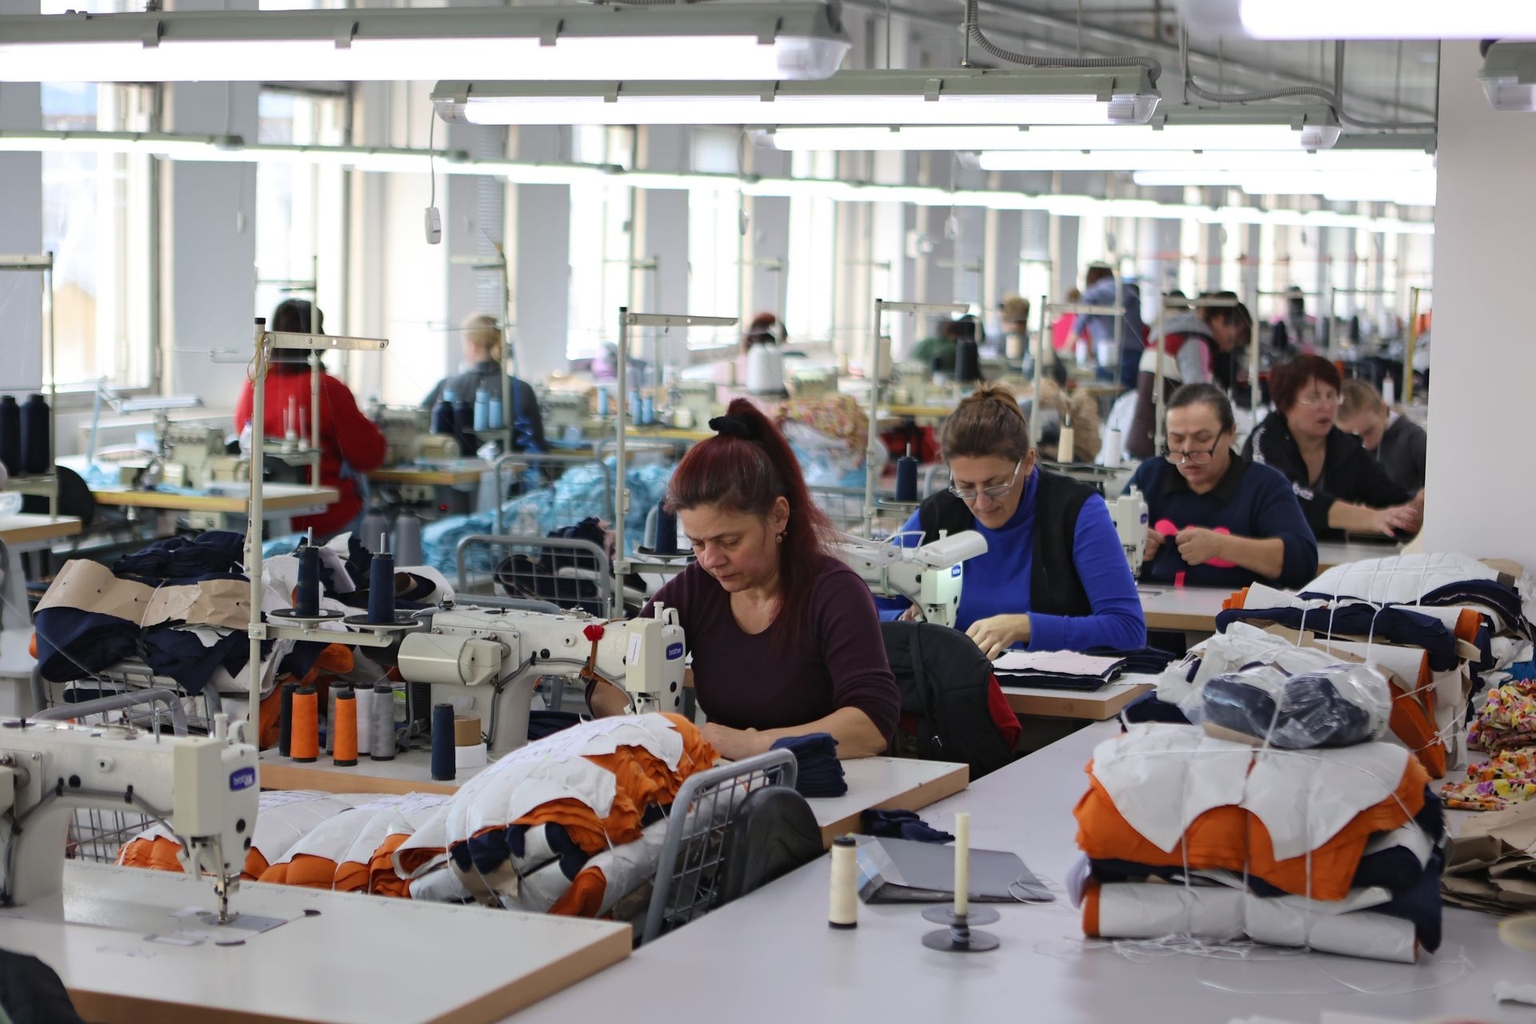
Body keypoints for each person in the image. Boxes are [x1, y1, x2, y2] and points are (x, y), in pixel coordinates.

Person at [594, 398, 899, 761]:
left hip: (829, 785)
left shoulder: (835, 593)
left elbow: (871, 725)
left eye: (729, 541)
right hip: (726, 783)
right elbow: (610, 682)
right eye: (697, 543)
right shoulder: (696, 588)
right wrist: (657, 734)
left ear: (779, 516)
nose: (710, 559)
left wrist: (755, 745)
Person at [887, 383, 1145, 657]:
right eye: (965, 486)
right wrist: (903, 621)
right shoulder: (939, 513)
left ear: (1029, 462)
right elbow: (868, 605)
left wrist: (1026, 626)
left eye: (996, 484)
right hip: (953, 690)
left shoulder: (1075, 510)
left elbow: (1128, 629)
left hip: (1054, 694)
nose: (981, 502)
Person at [1128, 383, 1317, 590]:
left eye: (1202, 439)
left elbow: (1303, 562)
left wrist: (1224, 547)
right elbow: (1100, 535)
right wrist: (1126, 543)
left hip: (1239, 618)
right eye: (1176, 439)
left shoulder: (1264, 485)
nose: (1188, 450)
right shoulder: (1151, 476)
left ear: (1230, 433)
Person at [234, 299, 387, 538]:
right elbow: (367, 455)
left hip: (265, 518)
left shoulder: (256, 381)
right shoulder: (324, 387)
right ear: (315, 336)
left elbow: (243, 437)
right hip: (322, 517)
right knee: (381, 520)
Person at [1243, 355, 1422, 541]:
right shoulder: (1263, 442)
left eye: (1332, 396)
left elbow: (1390, 500)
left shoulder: (1345, 448)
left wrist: (1416, 508)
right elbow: (1291, 499)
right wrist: (1371, 519)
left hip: (1330, 564)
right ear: (1286, 405)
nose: (1326, 406)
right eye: (1313, 398)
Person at [1126, 292, 1252, 459]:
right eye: (1233, 338)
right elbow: (1201, 399)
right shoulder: (1195, 342)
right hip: (1162, 445)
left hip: (1144, 438)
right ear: (1220, 319)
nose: (1230, 348)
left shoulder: (1172, 334)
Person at [421, 313, 546, 453]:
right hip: (507, 469)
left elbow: (419, 424)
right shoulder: (522, 389)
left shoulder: (447, 385)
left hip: (453, 469)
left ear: (471, 345)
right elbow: (538, 444)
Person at [1337, 378, 1428, 495]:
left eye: (1368, 432)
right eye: (1351, 436)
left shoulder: (1414, 440)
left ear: (1383, 409)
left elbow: (1436, 492)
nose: (1363, 443)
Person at [1074, 262, 1145, 391]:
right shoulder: (1129, 291)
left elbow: (1081, 318)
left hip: (1110, 357)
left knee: (1109, 401)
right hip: (1136, 355)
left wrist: (1068, 344)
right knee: (1129, 402)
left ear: (1091, 277)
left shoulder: (1094, 293)